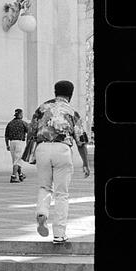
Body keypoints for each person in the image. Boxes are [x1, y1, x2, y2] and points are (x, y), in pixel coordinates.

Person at [27, 80, 91, 244]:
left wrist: (32, 154)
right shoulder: (72, 112)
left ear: (55, 92)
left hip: (42, 149)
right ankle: (59, 234)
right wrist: (85, 163)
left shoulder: (42, 108)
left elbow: (31, 132)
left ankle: (42, 212)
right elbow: (81, 140)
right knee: (62, 193)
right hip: (62, 150)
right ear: (71, 93)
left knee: (44, 187)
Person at [5, 108, 29, 183]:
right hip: (19, 142)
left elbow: (6, 136)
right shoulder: (23, 123)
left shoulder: (10, 123)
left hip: (11, 143)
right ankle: (13, 176)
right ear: (20, 114)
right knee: (18, 160)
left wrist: (7, 145)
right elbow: (29, 131)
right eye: (22, 114)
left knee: (15, 160)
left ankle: (20, 174)